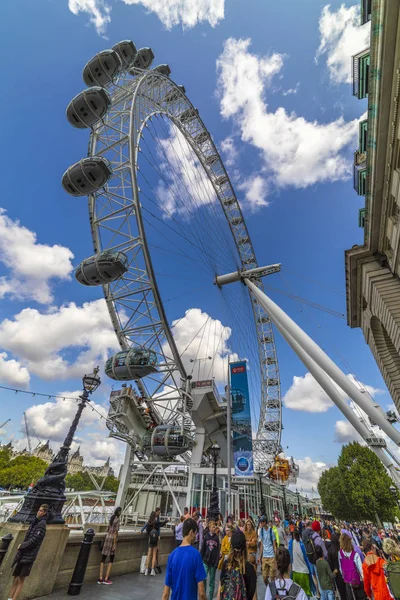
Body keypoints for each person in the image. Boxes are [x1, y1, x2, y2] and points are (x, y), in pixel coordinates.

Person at [8, 504, 49, 600]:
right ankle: (9, 598)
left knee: (21, 579)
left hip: (29, 555)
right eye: (38, 510)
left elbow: (35, 540)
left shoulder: (41, 524)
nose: (38, 512)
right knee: (16, 577)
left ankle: (14, 599)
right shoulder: (35, 522)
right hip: (23, 553)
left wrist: (22, 546)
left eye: (41, 511)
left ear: (45, 513)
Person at [162, 518, 206, 600]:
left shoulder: (172, 555)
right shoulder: (195, 555)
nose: (195, 538)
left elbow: (165, 593)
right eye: (195, 534)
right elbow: (201, 593)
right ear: (191, 532)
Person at [217, 530, 257, 600]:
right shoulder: (249, 568)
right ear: (245, 547)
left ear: (231, 546)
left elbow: (219, 594)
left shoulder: (226, 565)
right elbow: (254, 597)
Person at [338, 533, 366, 600]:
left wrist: (344, 576)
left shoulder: (340, 553)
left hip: (347, 580)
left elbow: (340, 567)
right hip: (356, 580)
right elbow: (361, 569)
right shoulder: (355, 554)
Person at [98, 506, 122, 584]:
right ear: (119, 512)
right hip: (112, 540)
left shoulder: (111, 518)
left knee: (103, 558)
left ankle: (100, 578)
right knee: (111, 559)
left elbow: (108, 529)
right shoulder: (117, 520)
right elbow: (115, 532)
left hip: (107, 537)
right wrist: (114, 544)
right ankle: (106, 578)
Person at [288, 529, 315, 597]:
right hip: (304, 572)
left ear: (293, 536)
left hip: (295, 572)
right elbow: (306, 558)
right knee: (306, 594)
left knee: (296, 594)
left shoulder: (291, 544)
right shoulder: (302, 545)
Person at [201, 520, 220, 600]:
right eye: (212, 527)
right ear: (209, 528)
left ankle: (211, 597)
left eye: (214, 527)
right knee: (204, 578)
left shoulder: (216, 538)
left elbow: (218, 551)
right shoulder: (206, 537)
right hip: (206, 561)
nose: (213, 528)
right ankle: (204, 595)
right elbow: (203, 549)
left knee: (212, 581)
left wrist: (216, 562)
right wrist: (201, 559)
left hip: (213, 563)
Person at [258, 515, 278, 586]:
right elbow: (261, 545)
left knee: (272, 577)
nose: (260, 524)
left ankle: (273, 591)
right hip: (264, 556)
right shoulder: (261, 531)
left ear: (264, 522)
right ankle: (269, 588)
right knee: (264, 577)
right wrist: (260, 557)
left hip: (271, 556)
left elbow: (274, 545)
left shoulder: (271, 531)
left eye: (261, 522)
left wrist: (275, 556)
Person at [328, 533, 346, 600]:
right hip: (345, 571)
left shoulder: (330, 550)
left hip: (337, 573)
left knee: (342, 592)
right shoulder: (341, 548)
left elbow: (330, 564)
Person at [142, 511, 159, 576]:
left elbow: (146, 528)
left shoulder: (149, 522)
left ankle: (146, 569)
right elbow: (158, 529)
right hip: (155, 539)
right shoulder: (156, 522)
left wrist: (141, 531)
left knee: (149, 554)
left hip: (150, 538)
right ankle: (152, 570)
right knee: (154, 554)